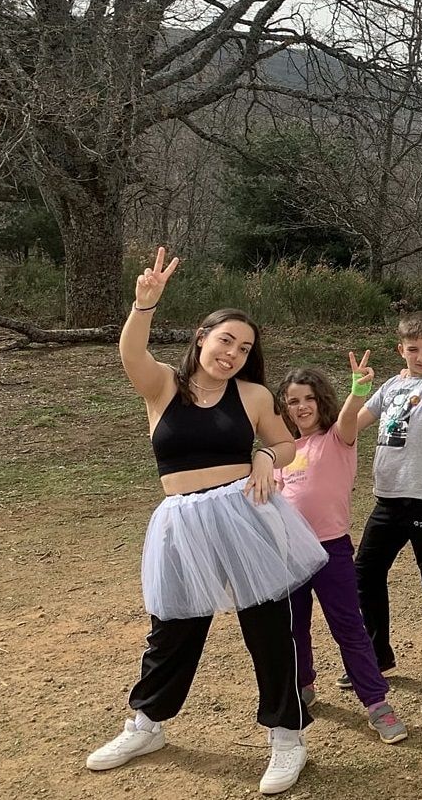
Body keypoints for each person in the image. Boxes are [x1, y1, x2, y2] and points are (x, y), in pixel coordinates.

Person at [90, 248, 323, 795]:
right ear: (202, 338)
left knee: (267, 628)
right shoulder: (163, 386)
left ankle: (287, 737)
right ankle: (146, 725)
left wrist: (266, 457)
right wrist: (143, 305)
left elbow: (287, 445)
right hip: (181, 521)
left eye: (245, 348)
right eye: (226, 341)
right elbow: (131, 353)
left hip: (244, 516)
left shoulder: (254, 394)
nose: (234, 354)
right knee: (173, 627)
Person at [346, 312, 422, 717]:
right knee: (364, 573)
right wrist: (356, 392)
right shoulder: (391, 385)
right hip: (388, 498)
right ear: (401, 350)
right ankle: (378, 656)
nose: (421, 356)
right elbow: (348, 431)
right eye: (413, 349)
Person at [276, 357, 406, 743]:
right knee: (294, 627)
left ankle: (377, 704)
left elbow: (350, 417)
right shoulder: (282, 450)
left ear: (321, 402)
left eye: (308, 399)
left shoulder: (336, 437)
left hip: (331, 549)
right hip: (290, 553)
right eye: (292, 401)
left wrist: (358, 390)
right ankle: (303, 685)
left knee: (349, 628)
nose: (301, 407)